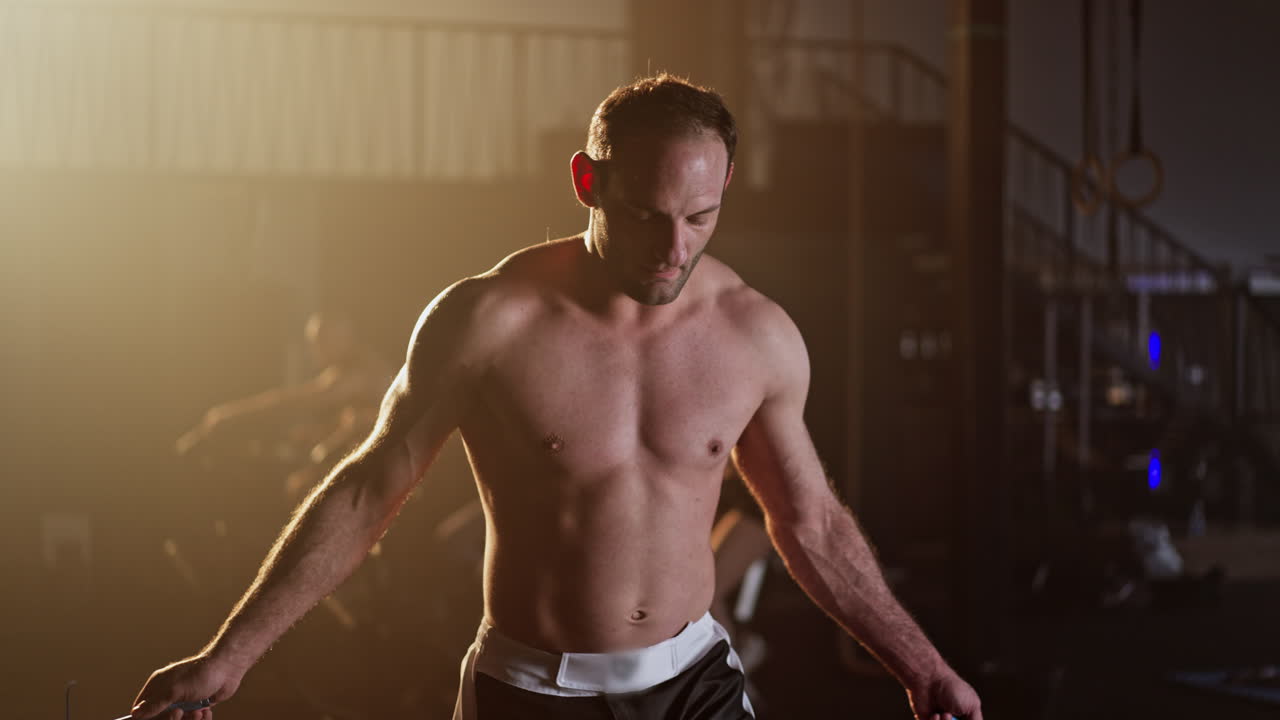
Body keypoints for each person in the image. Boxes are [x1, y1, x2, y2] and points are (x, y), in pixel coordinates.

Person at [129, 74, 982, 720]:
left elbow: (810, 524)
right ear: (588, 182)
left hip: (695, 684)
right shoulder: (488, 321)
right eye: (647, 216)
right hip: (534, 691)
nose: (672, 250)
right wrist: (226, 658)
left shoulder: (755, 335)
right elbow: (366, 493)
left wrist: (924, 668)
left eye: (701, 218)